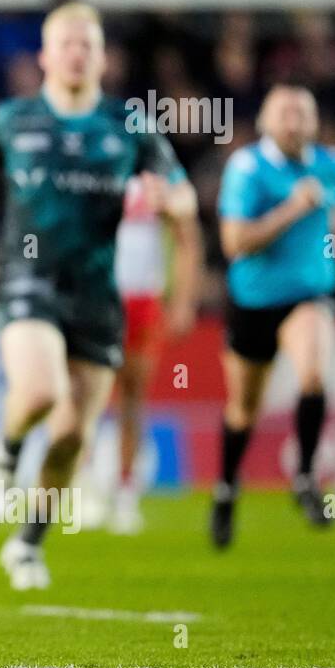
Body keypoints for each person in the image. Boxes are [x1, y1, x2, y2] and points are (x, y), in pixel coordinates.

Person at [0, 3, 200, 590]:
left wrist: (174, 204)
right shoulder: (9, 119)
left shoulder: (130, 125)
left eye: (89, 44)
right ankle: (3, 461)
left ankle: (27, 545)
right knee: (38, 390)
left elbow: (184, 201)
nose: (78, 53)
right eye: (67, 43)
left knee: (72, 436)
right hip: (28, 279)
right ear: (45, 57)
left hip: (98, 296)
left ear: (103, 57)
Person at [211, 84, 335, 547]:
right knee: (243, 408)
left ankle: (304, 476)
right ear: (265, 120)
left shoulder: (331, 165)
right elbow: (234, 244)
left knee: (313, 373)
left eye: (302, 113)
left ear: (314, 121)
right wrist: (290, 210)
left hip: (309, 293)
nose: (294, 122)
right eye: (284, 113)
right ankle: (226, 489)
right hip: (253, 299)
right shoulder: (247, 170)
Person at [105, 173, 199, 533]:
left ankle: (125, 491)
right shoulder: (93, 170)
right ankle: (80, 487)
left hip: (144, 301)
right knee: (87, 394)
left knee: (132, 395)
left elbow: (187, 240)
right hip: (99, 298)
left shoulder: (160, 182)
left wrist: (182, 300)